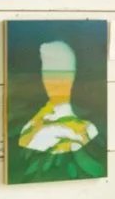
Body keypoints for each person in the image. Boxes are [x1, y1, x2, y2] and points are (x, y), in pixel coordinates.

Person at [15, 38, 103, 178]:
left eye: (64, 72)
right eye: (49, 72)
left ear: (75, 74)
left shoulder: (91, 129)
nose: (57, 80)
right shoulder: (28, 127)